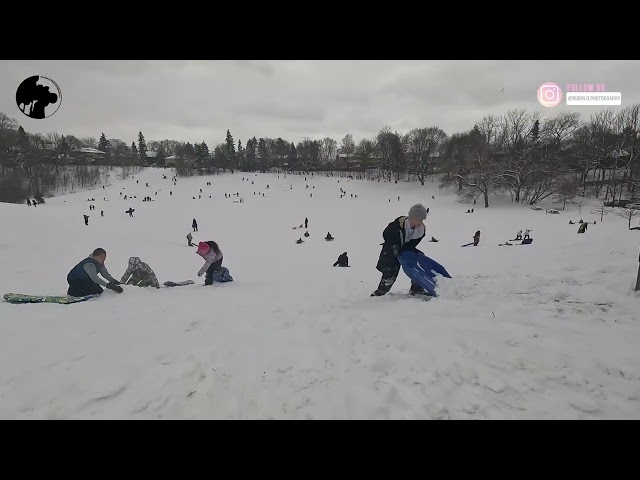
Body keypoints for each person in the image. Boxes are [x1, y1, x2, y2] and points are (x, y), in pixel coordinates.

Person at [371, 204, 428, 297]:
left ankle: (417, 288)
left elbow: (413, 243)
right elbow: (386, 234)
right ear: (412, 217)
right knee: (390, 271)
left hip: (406, 249)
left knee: (419, 263)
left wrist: (408, 250)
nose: (421, 222)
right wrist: (394, 245)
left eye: (422, 220)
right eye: (419, 220)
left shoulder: (421, 230)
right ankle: (380, 292)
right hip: (391, 249)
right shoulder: (398, 224)